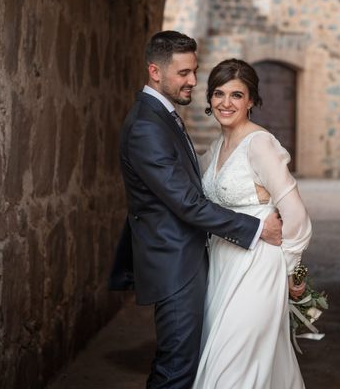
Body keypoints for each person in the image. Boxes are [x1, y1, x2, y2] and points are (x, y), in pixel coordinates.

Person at [110, 31, 283, 389]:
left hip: (189, 258)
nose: (193, 81)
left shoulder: (162, 115)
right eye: (184, 73)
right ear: (155, 72)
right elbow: (186, 203)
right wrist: (254, 226)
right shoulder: (147, 126)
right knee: (176, 369)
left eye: (194, 71)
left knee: (186, 360)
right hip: (174, 263)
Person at [193, 59, 312, 389]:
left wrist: (293, 273)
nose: (225, 103)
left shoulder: (260, 144)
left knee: (231, 366)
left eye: (236, 95)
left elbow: (296, 214)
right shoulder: (216, 148)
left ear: (251, 101)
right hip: (222, 266)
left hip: (257, 267)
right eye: (218, 93)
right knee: (239, 359)